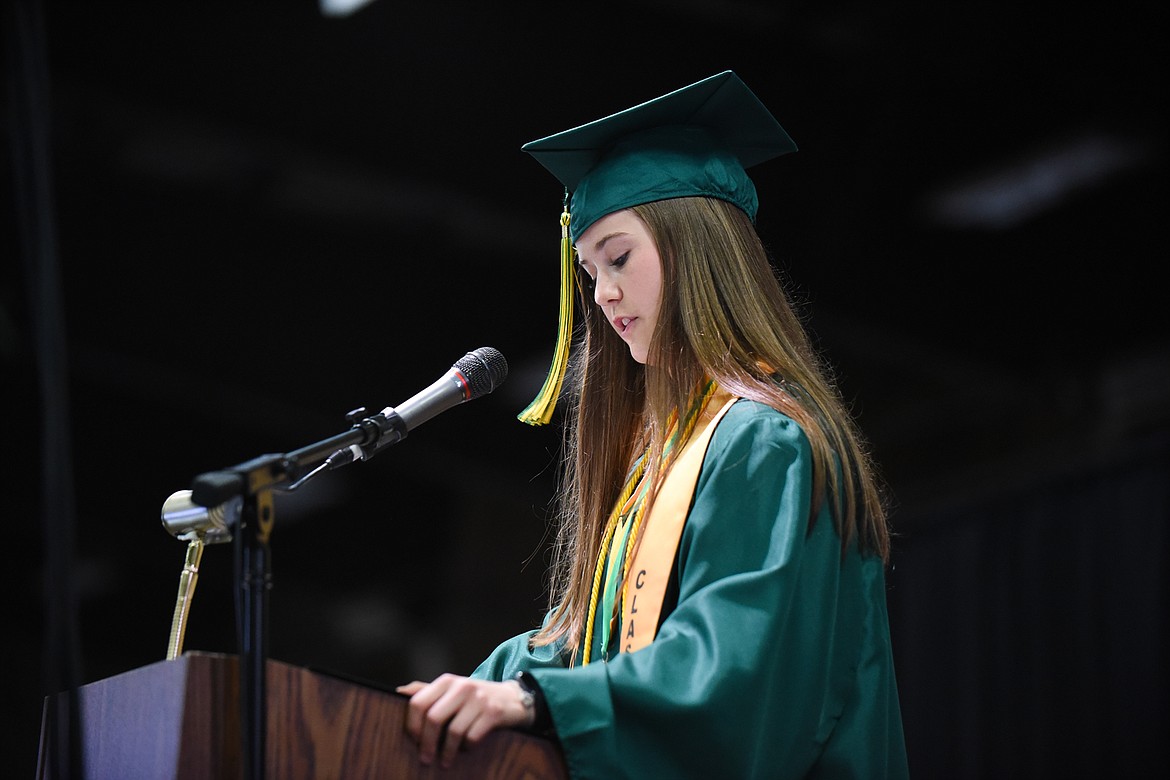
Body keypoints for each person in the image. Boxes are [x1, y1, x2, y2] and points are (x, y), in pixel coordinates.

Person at [396, 70, 909, 779]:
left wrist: (537, 700)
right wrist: (490, 684)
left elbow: (729, 671)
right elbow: (601, 648)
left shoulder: (765, 442)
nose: (602, 293)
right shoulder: (665, 458)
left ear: (696, 248)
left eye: (620, 257)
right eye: (589, 270)